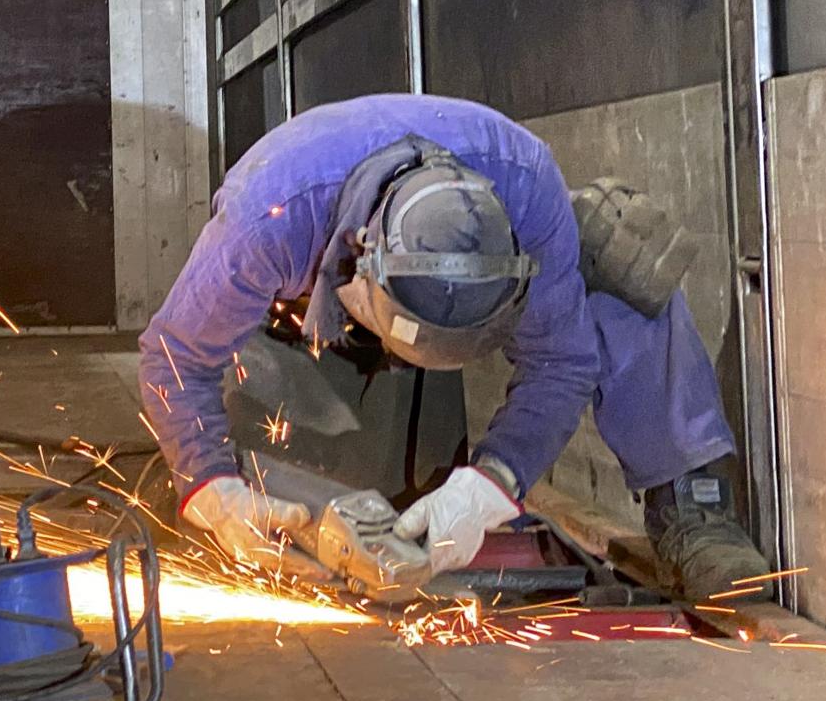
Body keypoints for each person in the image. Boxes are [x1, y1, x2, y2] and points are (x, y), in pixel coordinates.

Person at [137, 94, 770, 601]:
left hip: (447, 278)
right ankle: (246, 481)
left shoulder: (527, 189)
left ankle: (692, 500)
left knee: (621, 251)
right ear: (364, 261)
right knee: (239, 462)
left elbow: (562, 363)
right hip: (316, 320)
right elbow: (175, 355)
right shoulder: (268, 220)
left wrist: (494, 481)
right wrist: (212, 488)